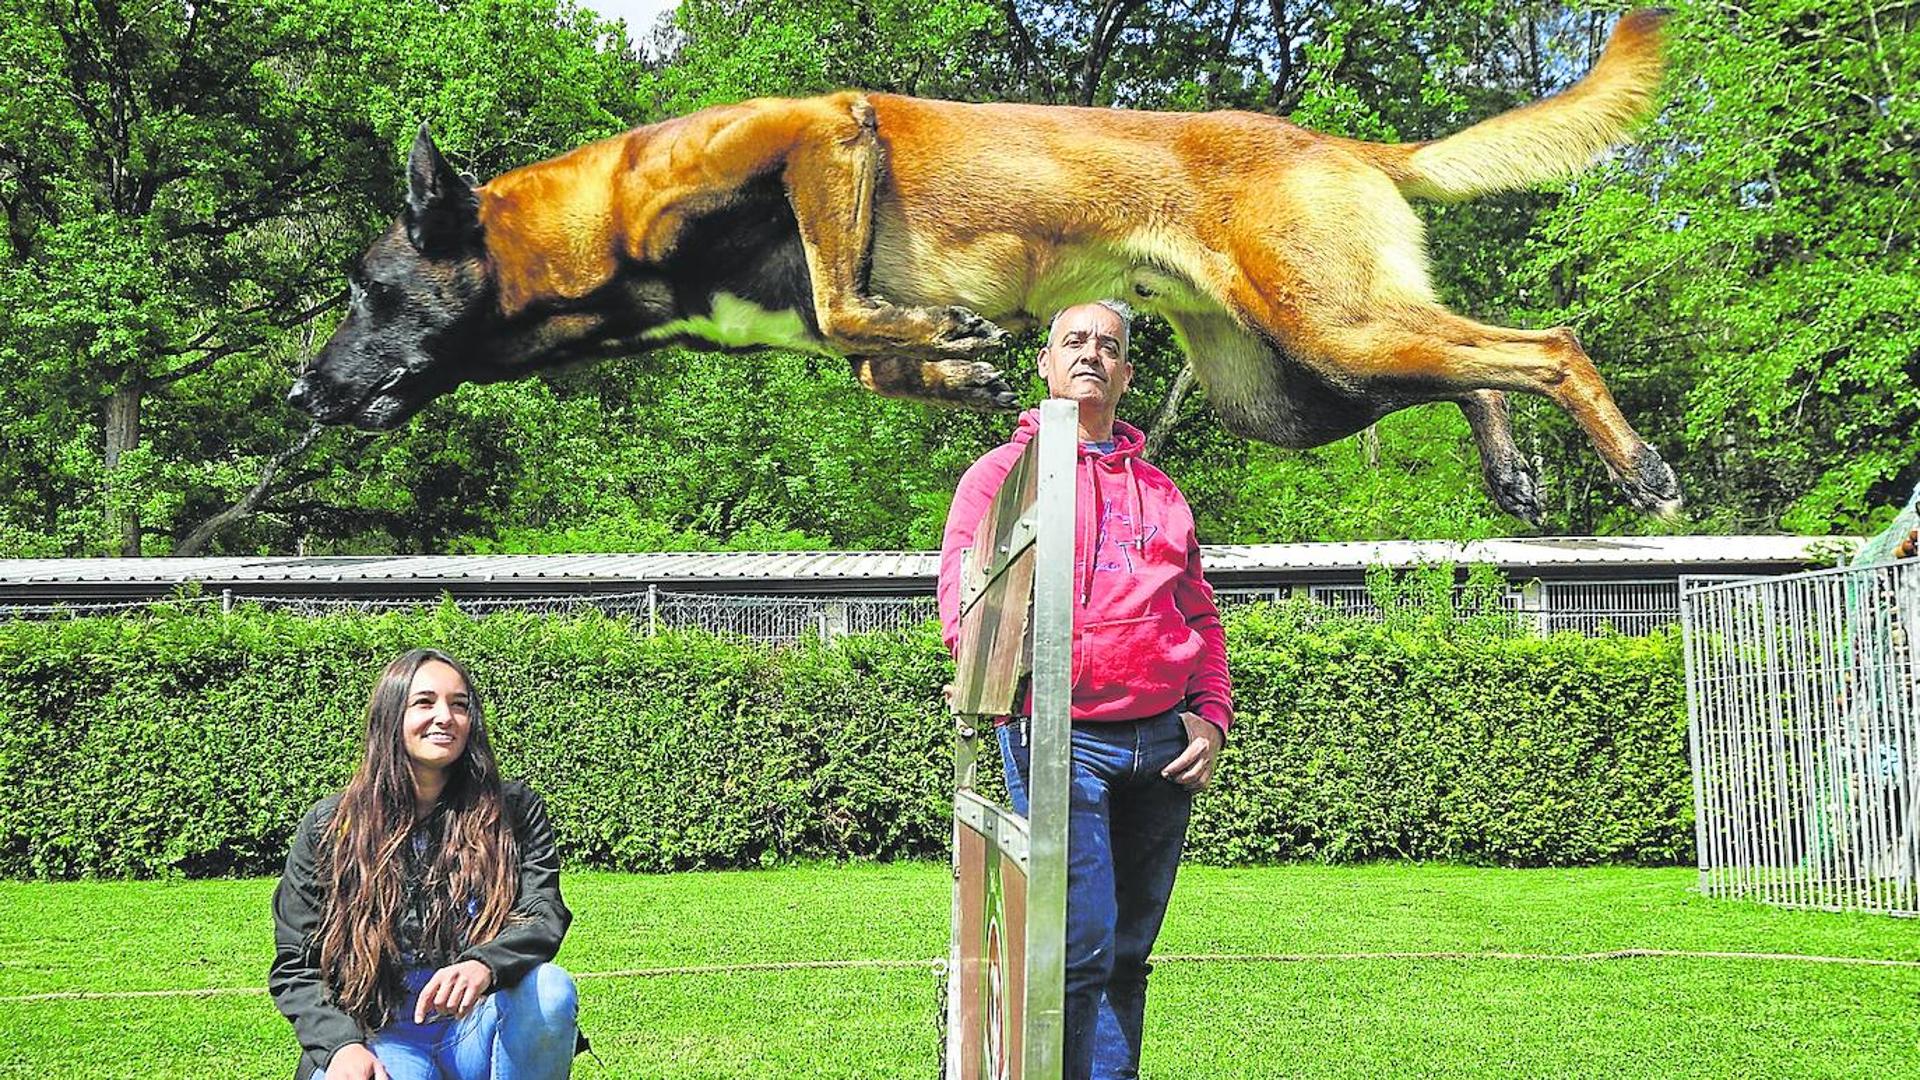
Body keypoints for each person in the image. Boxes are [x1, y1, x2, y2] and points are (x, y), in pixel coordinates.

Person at [937, 300, 1233, 1080]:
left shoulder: (1162, 491)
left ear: (1128, 374)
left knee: (1129, 952)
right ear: (1044, 363)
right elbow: (964, 601)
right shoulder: (1001, 478)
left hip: (1162, 746)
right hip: (1059, 737)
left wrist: (1209, 717)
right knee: (1078, 944)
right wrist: (989, 682)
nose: (1091, 355)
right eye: (1074, 341)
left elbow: (1198, 611)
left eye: (1109, 346)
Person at [270, 649, 578, 1080]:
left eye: (459, 704)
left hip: (478, 1027)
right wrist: (340, 1047)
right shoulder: (331, 826)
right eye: (424, 702)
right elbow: (297, 964)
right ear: (391, 716)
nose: (444, 717)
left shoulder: (514, 813)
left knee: (549, 989)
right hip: (381, 1036)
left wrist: (484, 964)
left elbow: (542, 914)